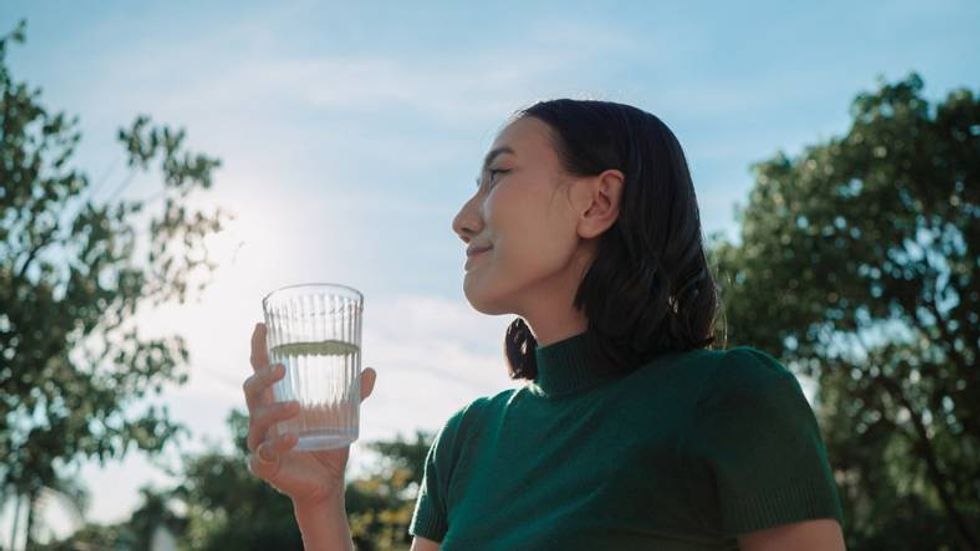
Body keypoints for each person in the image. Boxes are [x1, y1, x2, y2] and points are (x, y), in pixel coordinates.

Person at [242, 99, 847, 550]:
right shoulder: (466, 439)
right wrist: (321, 504)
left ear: (597, 203)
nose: (462, 218)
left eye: (497, 176)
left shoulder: (732, 396)